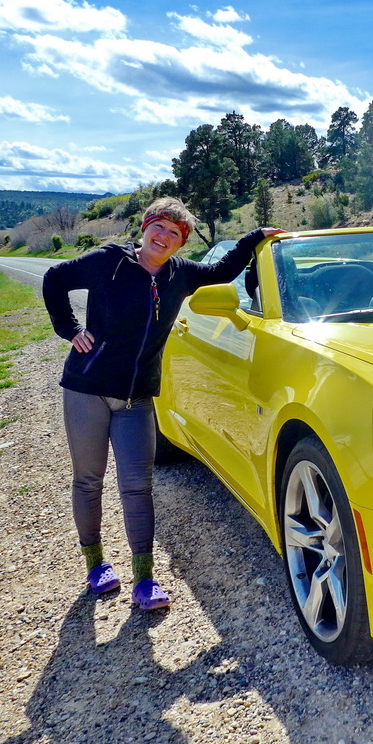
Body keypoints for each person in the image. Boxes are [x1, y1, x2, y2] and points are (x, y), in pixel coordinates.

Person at [42, 197, 281, 610]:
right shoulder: (109, 261)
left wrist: (255, 237)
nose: (164, 237)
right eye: (159, 227)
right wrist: (70, 328)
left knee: (138, 486)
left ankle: (144, 579)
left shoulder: (181, 274)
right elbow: (54, 278)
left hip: (137, 398)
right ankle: (96, 564)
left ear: (181, 241)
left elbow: (223, 270)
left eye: (175, 233)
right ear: (145, 228)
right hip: (87, 389)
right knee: (88, 479)